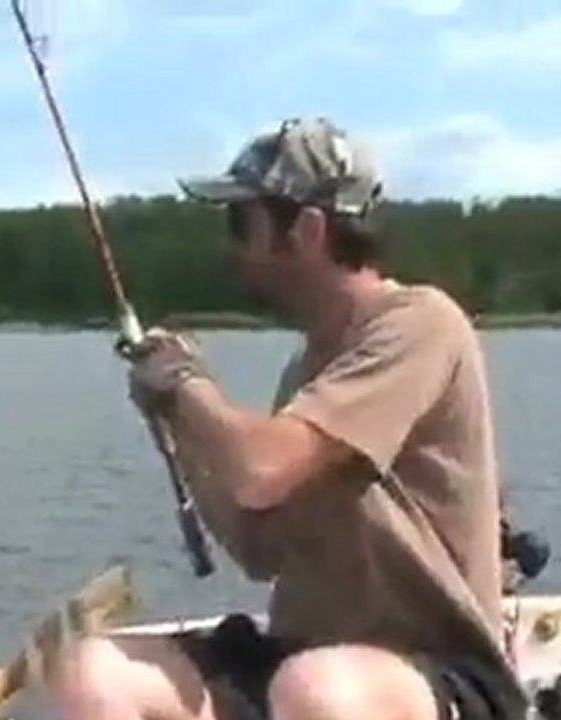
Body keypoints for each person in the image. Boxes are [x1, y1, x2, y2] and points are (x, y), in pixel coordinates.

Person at [45, 118, 529, 720]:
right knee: (93, 671)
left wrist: (185, 382)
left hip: (438, 671)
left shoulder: (421, 324)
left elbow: (262, 467)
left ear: (306, 229)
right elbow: (258, 546)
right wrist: (179, 424)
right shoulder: (308, 369)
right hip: (303, 659)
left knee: (314, 690)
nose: (234, 248)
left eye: (242, 224)